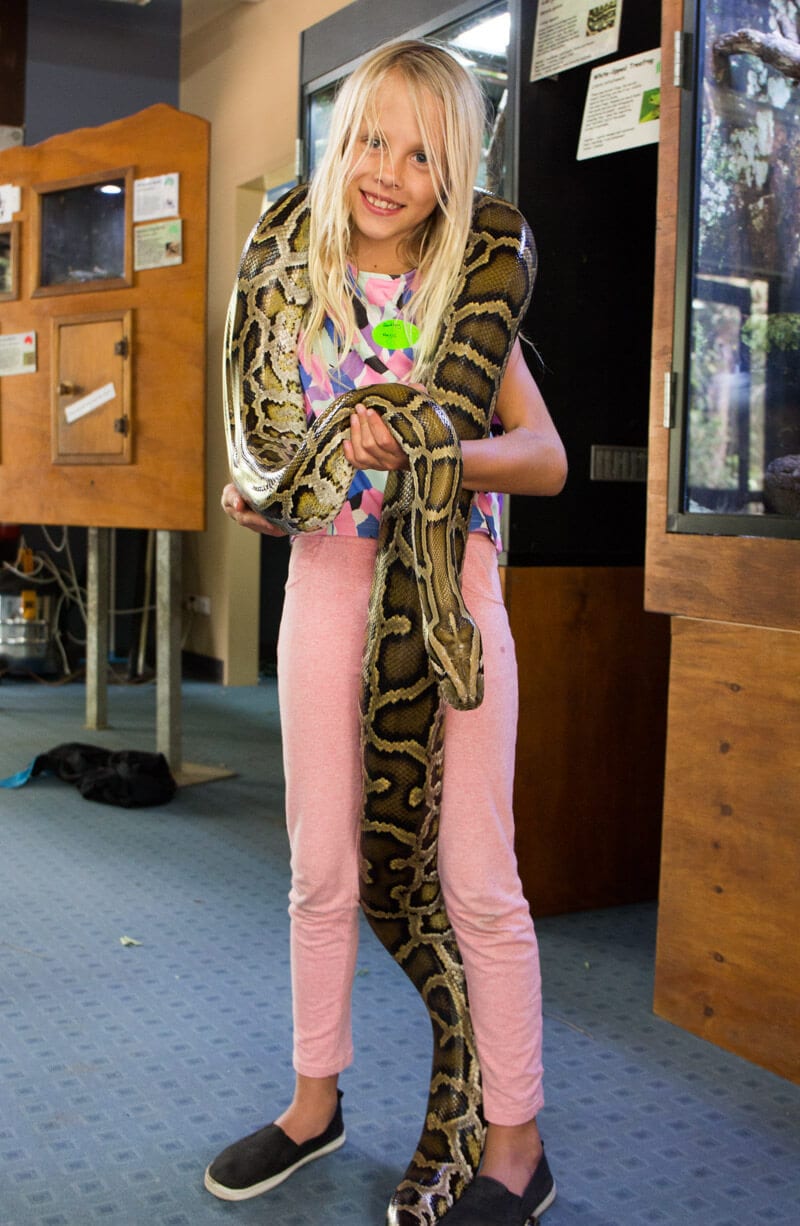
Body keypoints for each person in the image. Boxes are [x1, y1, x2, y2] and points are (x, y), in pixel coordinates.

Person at [207, 38, 567, 1226]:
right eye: (371, 141)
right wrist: (263, 492)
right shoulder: (295, 290)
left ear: (452, 171)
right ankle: (316, 1102)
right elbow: (278, 462)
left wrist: (432, 445)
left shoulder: (465, 291)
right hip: (326, 575)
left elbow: (546, 458)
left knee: (475, 869)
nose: (389, 171)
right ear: (337, 144)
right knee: (322, 863)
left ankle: (512, 1143)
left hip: (452, 579)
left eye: (420, 153)